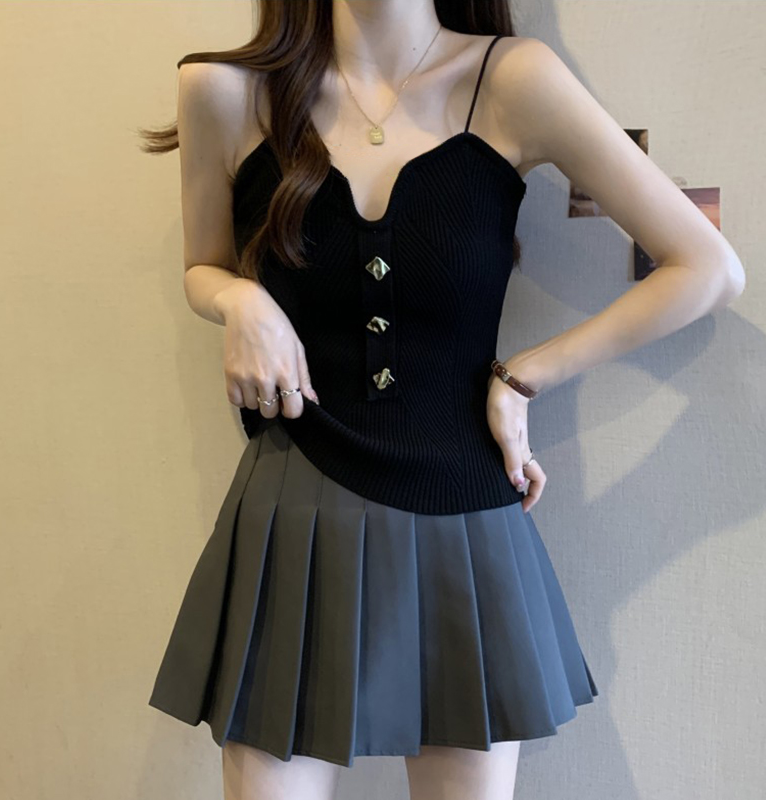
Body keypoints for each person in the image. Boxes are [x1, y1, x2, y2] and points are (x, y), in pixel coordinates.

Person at [141, 1, 746, 798]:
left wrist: (526, 376)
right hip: (292, 512)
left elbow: (707, 268)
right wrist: (239, 300)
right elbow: (204, 266)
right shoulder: (225, 91)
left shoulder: (514, 80)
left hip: (467, 524)